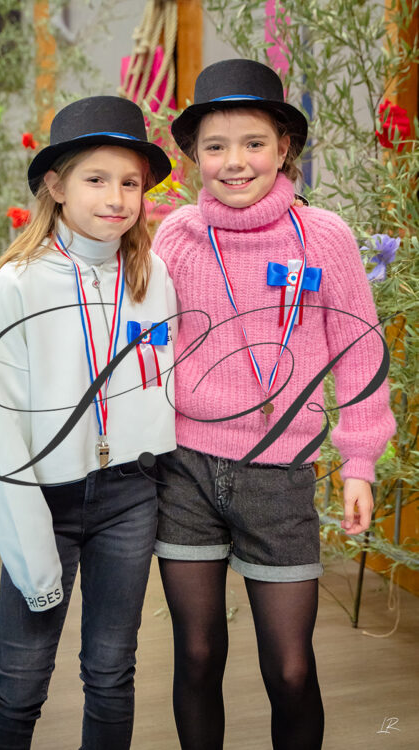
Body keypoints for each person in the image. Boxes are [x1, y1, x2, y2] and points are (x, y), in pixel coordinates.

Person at [151, 59, 396, 750]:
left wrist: (359, 464)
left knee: (290, 669)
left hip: (281, 476)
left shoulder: (325, 237)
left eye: (253, 143)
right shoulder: (175, 238)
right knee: (196, 654)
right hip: (186, 469)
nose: (235, 162)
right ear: (195, 155)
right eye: (215, 146)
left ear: (284, 146)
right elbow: (146, 348)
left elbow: (361, 355)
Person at [0, 95, 177, 750]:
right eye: (96, 179)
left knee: (112, 672)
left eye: (130, 183)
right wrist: (32, 557)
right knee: (20, 680)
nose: (116, 198)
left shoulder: (153, 275)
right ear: (57, 187)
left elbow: (165, 385)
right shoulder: (18, 284)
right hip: (45, 500)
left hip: (131, 497)